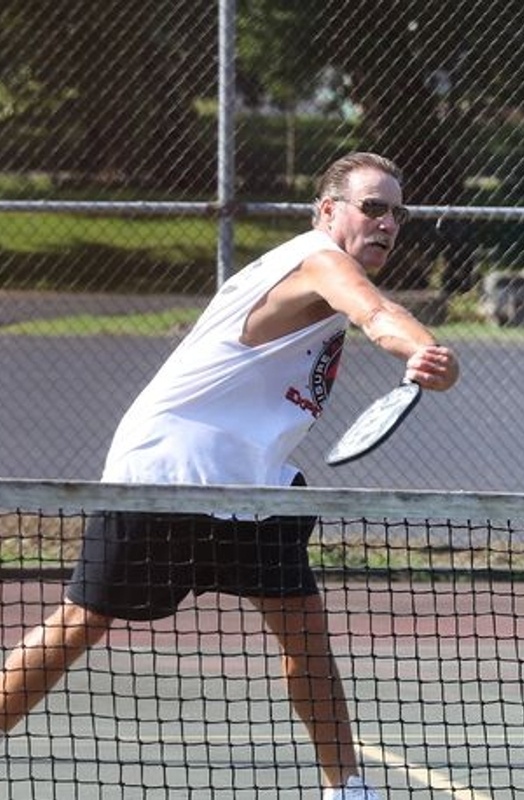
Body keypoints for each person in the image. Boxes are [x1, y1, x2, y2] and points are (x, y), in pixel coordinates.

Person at [0, 152, 459, 800]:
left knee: (305, 632)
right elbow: (375, 313)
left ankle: (348, 790)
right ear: (329, 212)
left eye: (397, 212)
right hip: (170, 472)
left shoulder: (325, 272)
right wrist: (419, 349)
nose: (387, 222)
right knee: (82, 624)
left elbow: (379, 315)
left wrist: (432, 358)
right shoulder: (321, 261)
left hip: (252, 487)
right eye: (372, 207)